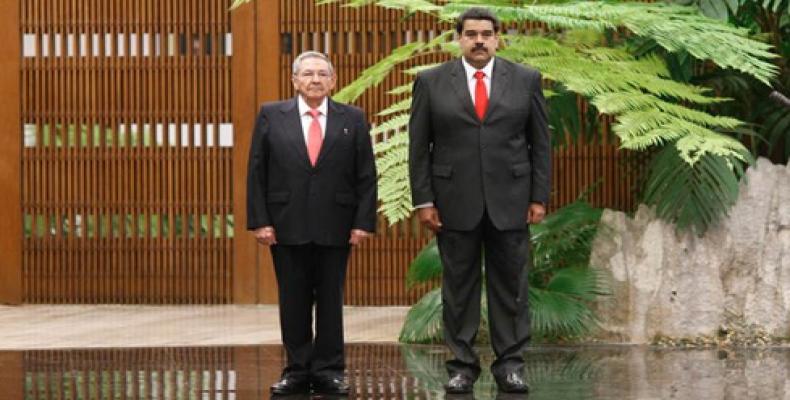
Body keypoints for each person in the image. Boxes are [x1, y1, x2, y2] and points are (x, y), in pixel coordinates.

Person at [408, 7, 551, 395]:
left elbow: (540, 143)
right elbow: (419, 148)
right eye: (471, 34)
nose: (479, 41)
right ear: (459, 39)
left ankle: (511, 366)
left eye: (486, 34)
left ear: (498, 38)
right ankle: (461, 367)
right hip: (454, 202)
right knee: (458, 289)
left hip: (512, 200)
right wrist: (423, 200)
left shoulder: (525, 80)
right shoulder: (431, 82)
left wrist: (539, 195)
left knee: (511, 287)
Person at [246, 50, 377, 396]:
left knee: (331, 300)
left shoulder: (353, 117)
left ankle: (330, 370)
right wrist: (260, 221)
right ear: (294, 81)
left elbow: (366, 175)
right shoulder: (272, 115)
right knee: (293, 300)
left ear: (333, 81)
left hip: (337, 224)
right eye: (307, 74)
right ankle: (297, 369)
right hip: (286, 224)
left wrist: (363, 221)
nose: (315, 79)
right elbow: (257, 172)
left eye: (322, 74)